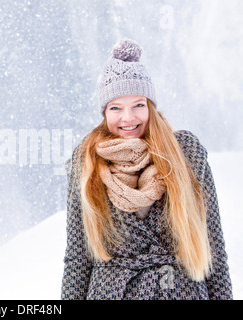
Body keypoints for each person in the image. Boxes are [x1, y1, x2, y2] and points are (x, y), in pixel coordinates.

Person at [61, 39, 232, 300]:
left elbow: (214, 249)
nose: (128, 118)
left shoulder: (186, 153)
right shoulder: (87, 161)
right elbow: (78, 258)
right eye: (116, 108)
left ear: (150, 106)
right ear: (104, 112)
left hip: (181, 291)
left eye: (138, 105)